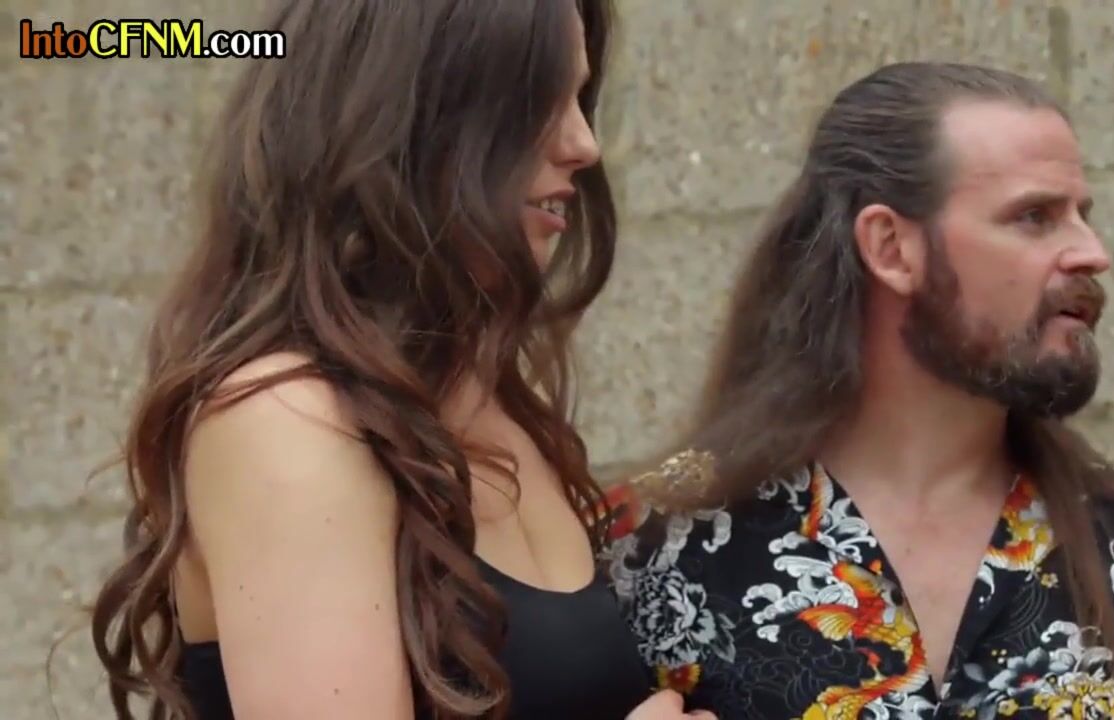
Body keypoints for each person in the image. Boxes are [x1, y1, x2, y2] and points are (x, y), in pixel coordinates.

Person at [88, 1, 711, 718]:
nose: (584, 144)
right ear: (410, 111)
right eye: (538, 97)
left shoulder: (493, 406)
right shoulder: (284, 419)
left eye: (580, 98)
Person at [602, 62, 1114, 719]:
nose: (1092, 252)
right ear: (891, 248)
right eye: (1035, 216)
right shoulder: (658, 547)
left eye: (1082, 216)